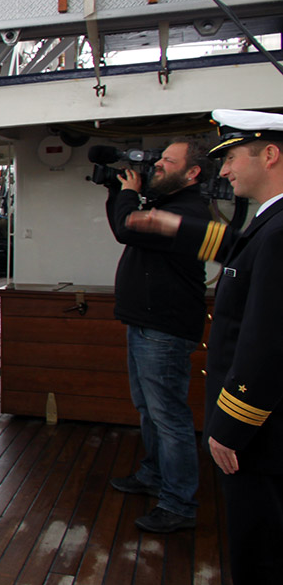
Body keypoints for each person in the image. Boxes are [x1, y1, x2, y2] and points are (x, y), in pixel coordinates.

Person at [126, 109, 283, 585]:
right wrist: (175, 225)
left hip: (258, 429)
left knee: (263, 552)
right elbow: (236, 247)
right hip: (258, 423)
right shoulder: (269, 224)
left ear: (271, 154)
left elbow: (269, 340)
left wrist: (231, 424)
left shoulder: (279, 232)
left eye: (233, 157)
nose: (227, 170)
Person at [102, 140, 211, 533]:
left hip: (163, 329)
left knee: (169, 417)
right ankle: (154, 474)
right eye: (160, 158)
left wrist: (127, 193)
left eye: (168, 160)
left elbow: (126, 227)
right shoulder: (168, 205)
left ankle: (179, 503)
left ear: (193, 172)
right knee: (149, 409)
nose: (158, 165)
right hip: (147, 324)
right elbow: (124, 224)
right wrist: (118, 191)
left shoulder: (186, 213)